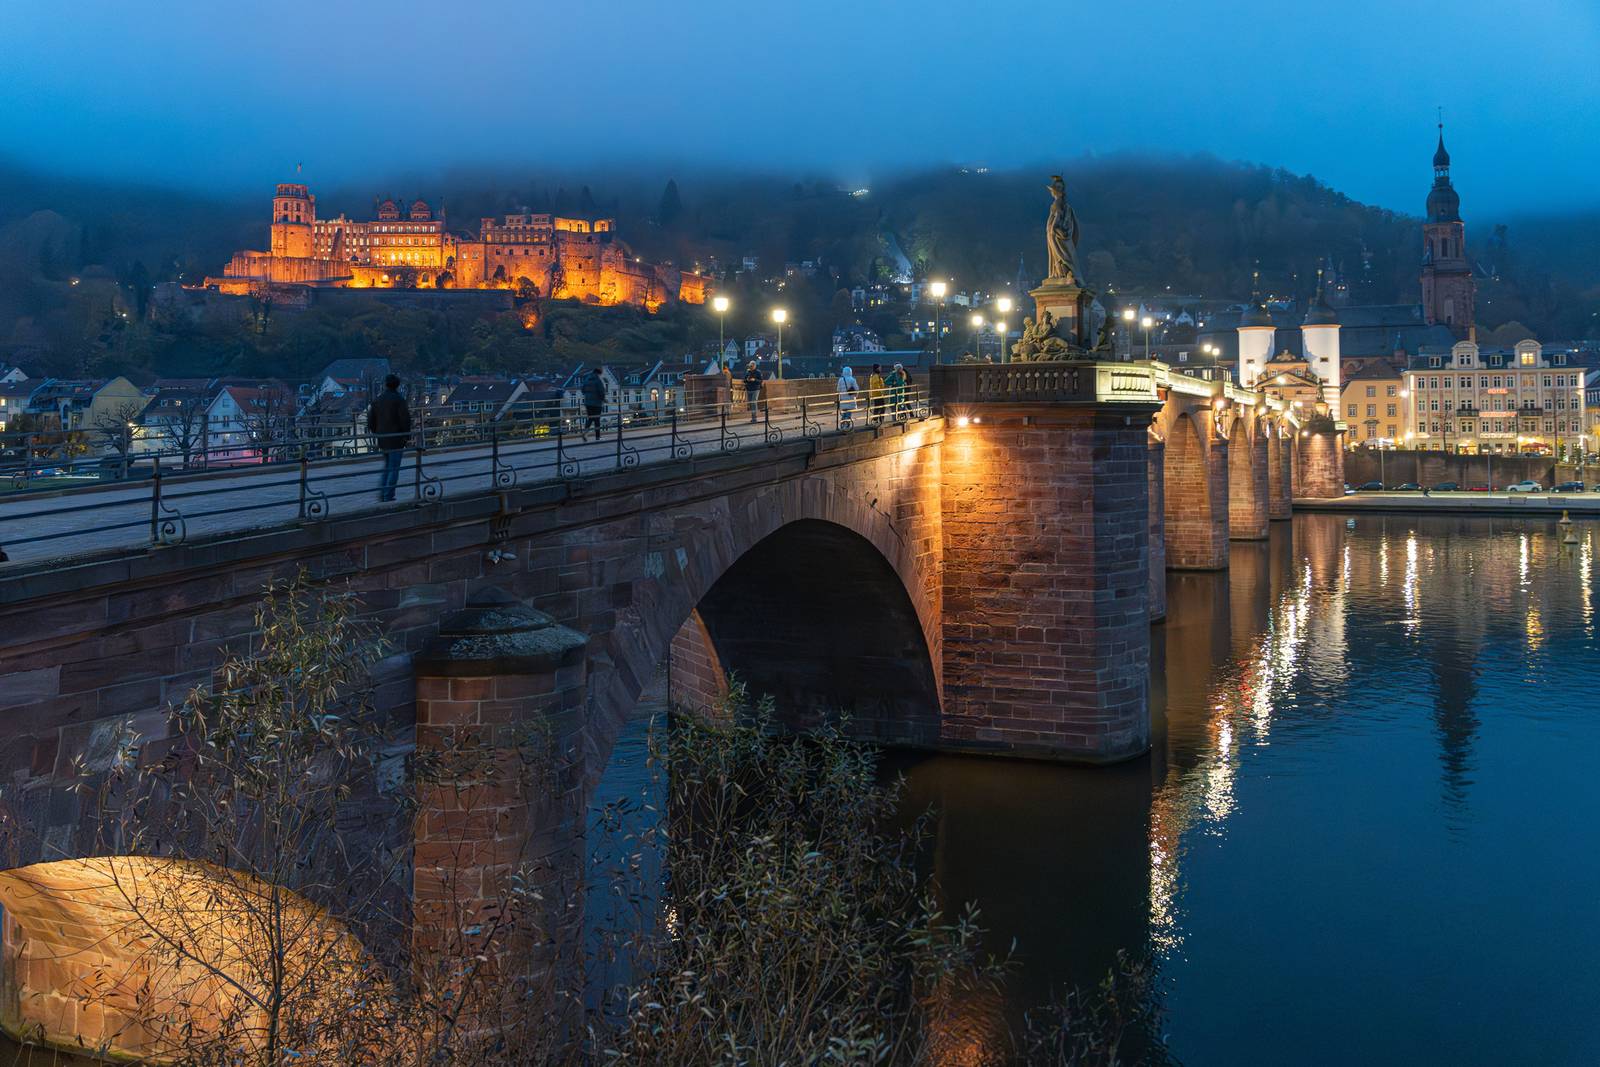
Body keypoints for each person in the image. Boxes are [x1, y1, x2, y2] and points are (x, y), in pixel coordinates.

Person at [366, 374, 412, 503]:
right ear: (397, 385)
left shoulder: (377, 400)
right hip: (396, 439)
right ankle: (389, 494)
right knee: (394, 468)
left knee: (386, 467)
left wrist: (377, 432)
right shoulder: (399, 400)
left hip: (383, 439)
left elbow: (370, 421)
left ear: (386, 384)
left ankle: (382, 493)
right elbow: (405, 420)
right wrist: (406, 436)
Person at [581, 368, 607, 441]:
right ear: (599, 373)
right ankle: (598, 437)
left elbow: (582, 390)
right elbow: (601, 392)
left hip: (587, 402)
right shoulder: (598, 380)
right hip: (596, 403)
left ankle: (585, 432)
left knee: (590, 418)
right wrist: (604, 399)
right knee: (597, 420)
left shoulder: (587, 379)